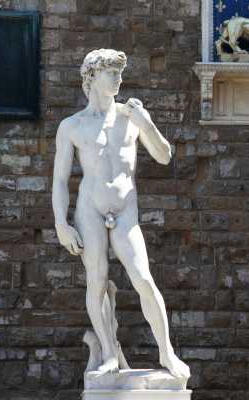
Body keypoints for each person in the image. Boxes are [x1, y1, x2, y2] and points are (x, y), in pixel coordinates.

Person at [51, 48, 190, 379]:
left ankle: (166, 352)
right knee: (97, 278)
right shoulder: (72, 126)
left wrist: (147, 124)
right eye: (112, 72)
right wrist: (61, 223)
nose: (119, 79)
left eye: (120, 73)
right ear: (93, 76)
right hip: (90, 209)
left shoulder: (131, 117)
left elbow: (164, 156)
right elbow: (59, 180)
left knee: (143, 278)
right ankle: (109, 352)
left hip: (126, 209)